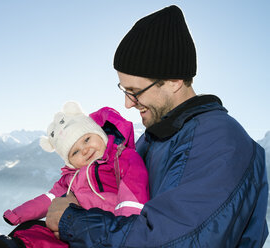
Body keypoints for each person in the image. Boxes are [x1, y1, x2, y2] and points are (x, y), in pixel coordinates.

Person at [45, 5, 269, 247]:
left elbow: (175, 240)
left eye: (135, 91)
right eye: (124, 90)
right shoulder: (156, 137)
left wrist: (73, 222)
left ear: (173, 80)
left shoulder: (222, 143)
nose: (127, 104)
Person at [0, 101, 150, 248]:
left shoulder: (121, 159)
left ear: (99, 133)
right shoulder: (71, 177)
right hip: (72, 226)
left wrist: (124, 228)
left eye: (87, 139)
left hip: (107, 225)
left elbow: (133, 194)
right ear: (70, 161)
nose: (85, 150)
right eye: (75, 152)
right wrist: (18, 214)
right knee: (39, 230)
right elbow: (49, 199)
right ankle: (19, 245)